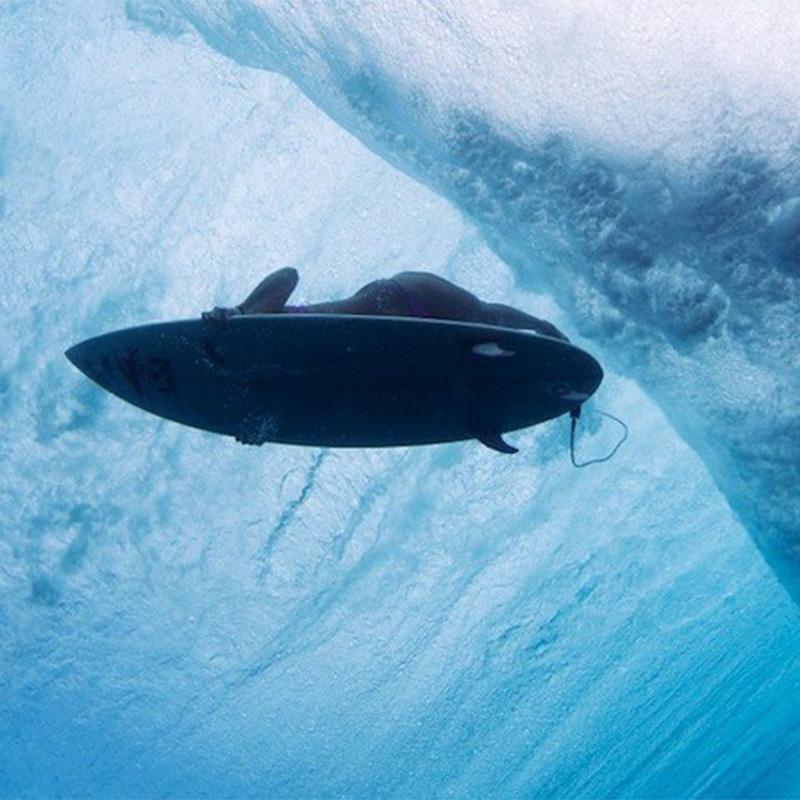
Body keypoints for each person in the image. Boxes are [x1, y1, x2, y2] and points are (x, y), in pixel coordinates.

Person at [203, 267, 567, 340]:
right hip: (406, 338)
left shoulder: (259, 320)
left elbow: (288, 275)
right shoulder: (275, 365)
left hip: (402, 298)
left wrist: (239, 311)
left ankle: (543, 327)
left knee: (482, 316)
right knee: (473, 340)